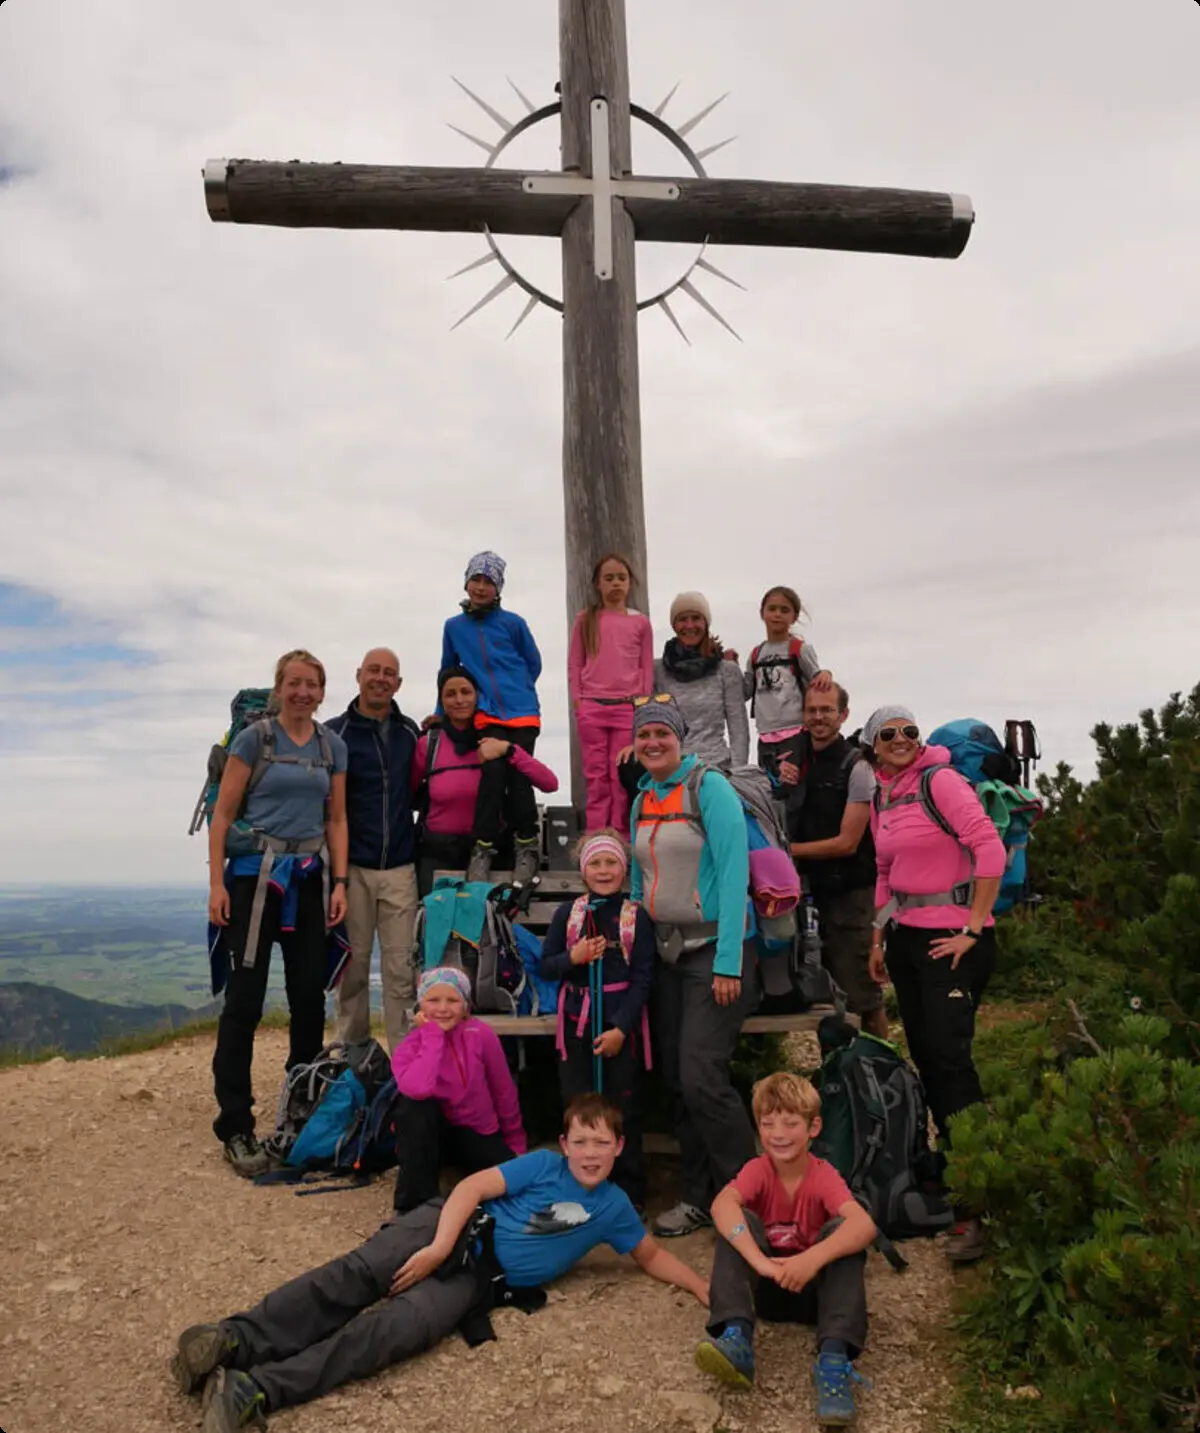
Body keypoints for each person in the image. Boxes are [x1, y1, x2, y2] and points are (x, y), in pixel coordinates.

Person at [170, 1094, 710, 1432]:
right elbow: (473, 1186)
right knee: (356, 1276)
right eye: (581, 1141)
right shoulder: (544, 1165)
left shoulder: (614, 1207)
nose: (591, 1152)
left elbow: (652, 1254)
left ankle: (255, 1388)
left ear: (619, 1147)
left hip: (477, 1279)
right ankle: (233, 1340)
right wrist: (434, 1248)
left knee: (391, 1331)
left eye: (602, 1142)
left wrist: (702, 1287)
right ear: (565, 1144)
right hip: (444, 1226)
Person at [865, 704, 1006, 1263]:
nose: (900, 740)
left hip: (954, 939)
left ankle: (982, 1201)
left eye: (908, 731)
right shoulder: (884, 795)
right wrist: (877, 940)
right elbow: (882, 873)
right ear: (874, 745)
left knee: (950, 1061)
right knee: (926, 1055)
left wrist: (972, 928)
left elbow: (988, 847)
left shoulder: (939, 781)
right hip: (907, 940)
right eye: (888, 734)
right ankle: (952, 1174)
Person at [207, 649, 349, 1178]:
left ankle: (301, 1108)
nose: (302, 692)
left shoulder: (330, 746)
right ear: (279, 687)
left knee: (308, 998)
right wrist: (216, 884)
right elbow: (223, 816)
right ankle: (235, 1125)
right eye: (294, 683)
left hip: (311, 881)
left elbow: (336, 819)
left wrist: (340, 882)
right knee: (244, 1000)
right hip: (253, 883)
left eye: (311, 684)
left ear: (321, 691)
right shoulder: (254, 739)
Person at [627, 694, 758, 1239]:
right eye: (644, 736)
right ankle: (701, 1197)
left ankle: (750, 1198)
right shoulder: (643, 801)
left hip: (718, 954)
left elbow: (734, 877)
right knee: (680, 1081)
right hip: (667, 954)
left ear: (680, 739)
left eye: (662, 734)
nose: (653, 743)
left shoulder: (711, 789)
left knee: (702, 1074)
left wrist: (729, 961)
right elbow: (640, 881)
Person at [693, 1072, 876, 1425]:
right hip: (765, 1291)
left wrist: (811, 1259)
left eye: (791, 1123)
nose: (778, 1133)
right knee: (737, 1221)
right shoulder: (757, 1169)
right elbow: (721, 1205)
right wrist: (759, 1261)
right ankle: (737, 1338)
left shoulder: (823, 1175)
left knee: (845, 1233)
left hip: (814, 1296)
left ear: (814, 1127)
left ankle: (835, 1362)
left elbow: (864, 1224)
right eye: (768, 1123)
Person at [538, 829, 654, 1209]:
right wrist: (574, 958)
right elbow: (547, 966)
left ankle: (628, 1191)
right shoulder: (568, 915)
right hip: (576, 1025)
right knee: (577, 1103)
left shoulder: (635, 917)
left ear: (624, 870)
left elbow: (643, 977)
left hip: (620, 1025)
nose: (604, 871)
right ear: (583, 870)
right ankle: (580, 1186)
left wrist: (622, 1027)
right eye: (595, 863)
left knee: (624, 1105)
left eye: (612, 863)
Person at [324, 648, 421, 1052]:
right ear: (358, 675)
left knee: (401, 971)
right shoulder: (333, 733)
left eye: (390, 673)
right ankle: (351, 1056)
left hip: (400, 867)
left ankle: (404, 1064)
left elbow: (420, 790)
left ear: (398, 684)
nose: (381, 678)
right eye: (374, 671)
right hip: (354, 869)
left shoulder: (411, 732)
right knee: (354, 968)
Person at [781, 684, 888, 1039]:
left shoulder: (857, 768)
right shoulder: (796, 761)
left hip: (851, 896)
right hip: (810, 896)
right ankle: (842, 1078)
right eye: (812, 710)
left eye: (826, 710)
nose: (818, 717)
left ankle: (885, 1075)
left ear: (843, 715)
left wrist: (785, 851)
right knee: (824, 1002)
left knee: (862, 998)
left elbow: (847, 842)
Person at [440, 551, 544, 885]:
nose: (481, 587)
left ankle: (527, 845)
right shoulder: (453, 627)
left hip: (523, 712)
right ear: (467, 582)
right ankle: (481, 849)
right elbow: (447, 671)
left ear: (498, 588)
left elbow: (533, 662)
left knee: (518, 778)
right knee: (492, 775)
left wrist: (520, 688)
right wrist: (441, 713)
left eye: (489, 582)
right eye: (476, 580)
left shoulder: (513, 623)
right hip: (487, 714)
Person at [412, 665, 559, 897]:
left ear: (478, 695)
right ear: (441, 701)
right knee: (436, 930)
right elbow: (408, 792)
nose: (459, 700)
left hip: (491, 856)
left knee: (488, 930)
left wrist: (510, 750)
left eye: (466, 692)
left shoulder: (498, 737)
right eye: (450, 694)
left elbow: (550, 783)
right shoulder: (430, 743)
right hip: (438, 853)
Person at [390, 966, 526, 1213]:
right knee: (413, 1106)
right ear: (421, 1006)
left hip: (477, 1133)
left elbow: (502, 1089)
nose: (443, 1008)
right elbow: (418, 1089)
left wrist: (515, 1140)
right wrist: (432, 1036)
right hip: (432, 1138)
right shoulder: (410, 1045)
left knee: (516, 1185)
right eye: (433, 1000)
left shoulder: (481, 1035)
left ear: (465, 1006)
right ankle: (417, 1210)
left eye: (452, 1000)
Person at [568, 553, 654, 832]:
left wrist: (641, 706)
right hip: (592, 707)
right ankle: (595, 834)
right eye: (609, 578)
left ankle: (620, 834)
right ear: (597, 584)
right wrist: (579, 701)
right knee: (596, 776)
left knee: (621, 775)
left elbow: (646, 666)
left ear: (630, 583)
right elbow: (575, 662)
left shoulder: (640, 622)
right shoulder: (586, 619)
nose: (616, 583)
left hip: (626, 708)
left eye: (621, 578)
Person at [741, 585, 833, 785]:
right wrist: (729, 666)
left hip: (795, 731)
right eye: (772, 609)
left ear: (794, 616)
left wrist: (825, 673)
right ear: (762, 613)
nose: (777, 614)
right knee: (769, 787)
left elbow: (816, 680)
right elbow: (746, 692)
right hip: (765, 735)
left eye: (784, 610)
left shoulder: (799, 649)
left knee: (791, 787)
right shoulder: (756, 653)